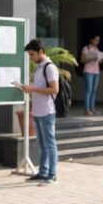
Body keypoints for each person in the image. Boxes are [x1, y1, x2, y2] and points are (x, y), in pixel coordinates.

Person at [21, 39, 60, 185]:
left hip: (47, 112)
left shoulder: (49, 67)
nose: (31, 58)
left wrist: (33, 89)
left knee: (50, 144)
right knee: (42, 144)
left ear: (40, 52)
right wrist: (28, 89)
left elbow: (55, 89)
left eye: (32, 55)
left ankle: (52, 174)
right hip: (37, 111)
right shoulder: (39, 67)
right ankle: (43, 172)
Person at [80, 33, 103, 115]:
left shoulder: (97, 49)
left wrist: (100, 59)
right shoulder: (86, 48)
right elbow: (82, 60)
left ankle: (92, 108)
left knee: (94, 90)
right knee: (89, 90)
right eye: (96, 40)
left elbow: (98, 61)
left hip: (96, 71)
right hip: (88, 71)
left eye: (98, 40)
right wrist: (92, 58)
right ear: (91, 40)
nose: (97, 42)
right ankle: (87, 109)